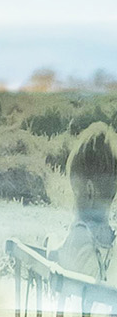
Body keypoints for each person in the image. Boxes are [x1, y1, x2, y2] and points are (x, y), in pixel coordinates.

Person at [54, 120, 117, 282]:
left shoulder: (79, 235)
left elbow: (58, 258)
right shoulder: (113, 244)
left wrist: (51, 246)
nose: (74, 203)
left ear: (89, 192)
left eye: (76, 193)